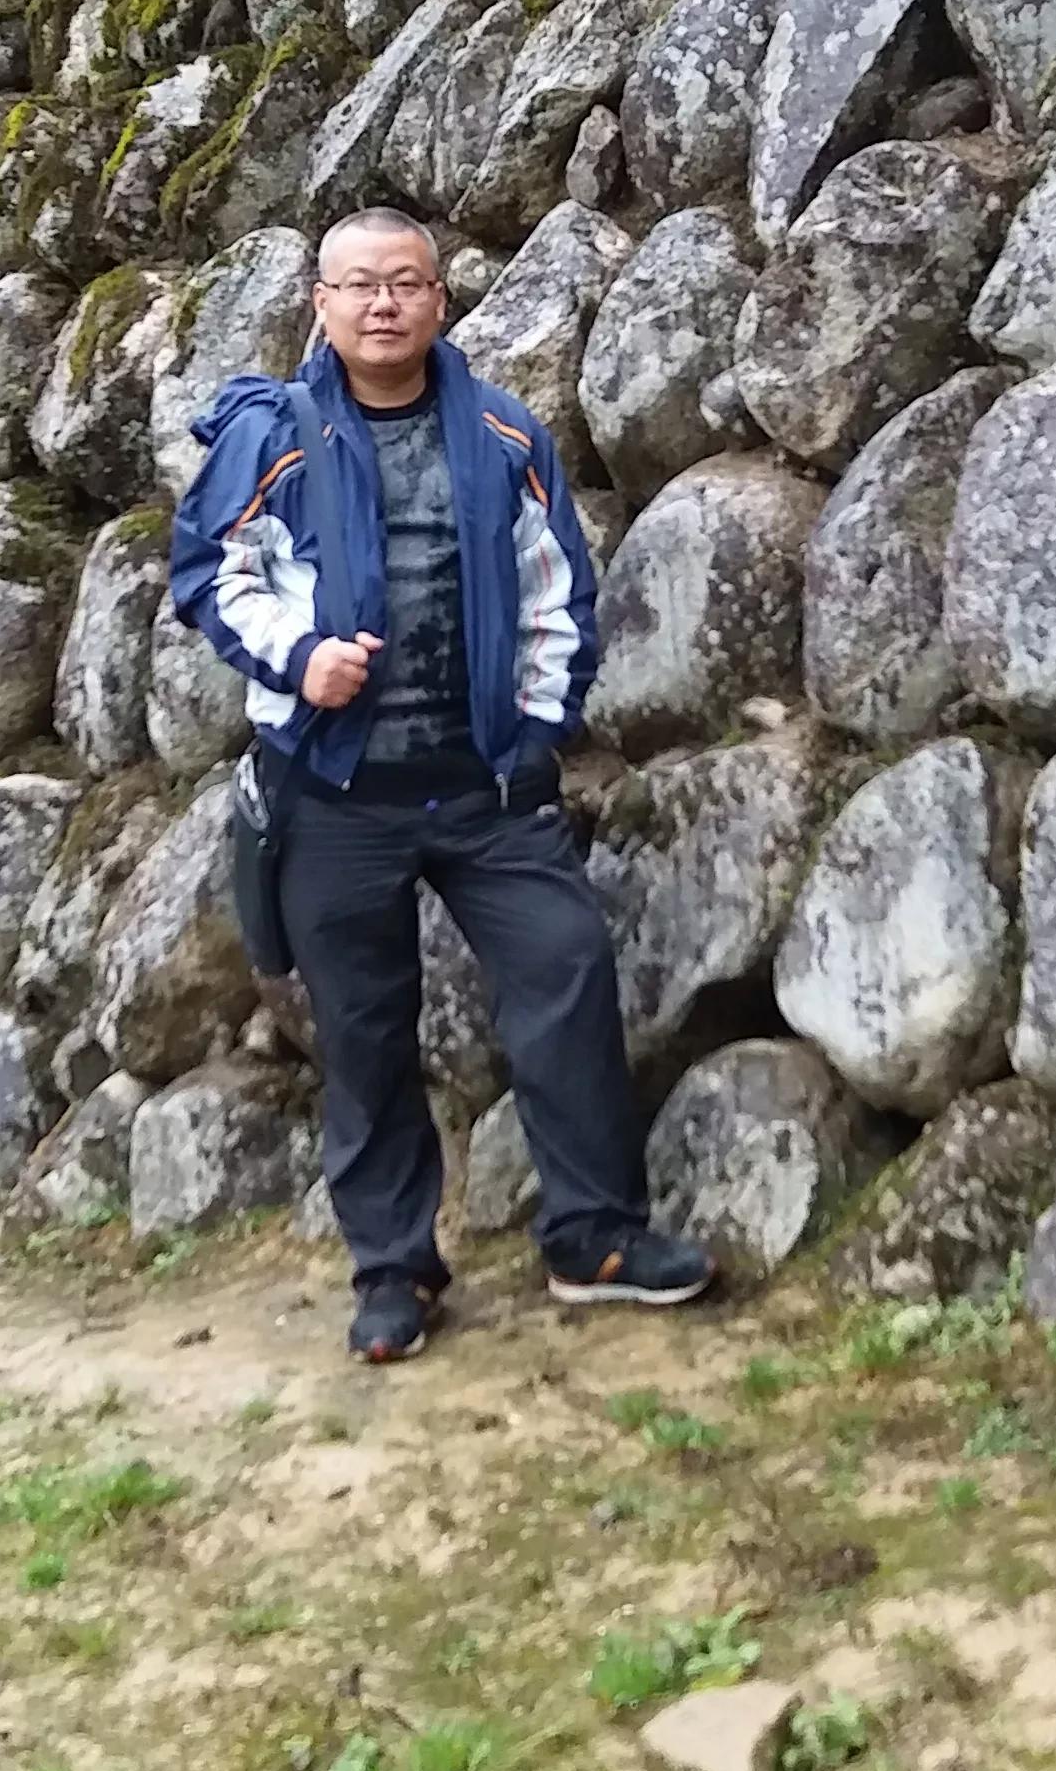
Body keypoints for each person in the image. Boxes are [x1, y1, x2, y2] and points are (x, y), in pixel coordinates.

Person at [168, 206, 715, 1364]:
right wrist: (297, 657)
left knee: (566, 973)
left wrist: (534, 736)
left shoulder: (504, 436)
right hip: (333, 790)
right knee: (364, 1036)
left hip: (484, 788)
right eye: (360, 285)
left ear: (439, 300)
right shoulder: (271, 435)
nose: (383, 304)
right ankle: (395, 1272)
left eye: (406, 283)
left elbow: (558, 590)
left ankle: (596, 1238)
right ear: (320, 304)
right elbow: (216, 576)